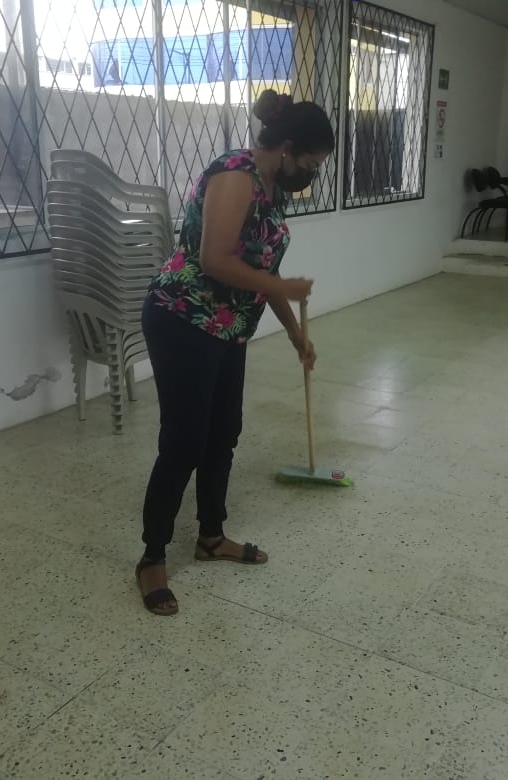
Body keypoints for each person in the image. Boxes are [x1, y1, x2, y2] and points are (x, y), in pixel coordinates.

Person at [135, 90, 336, 615]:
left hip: (227, 327)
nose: (311, 174)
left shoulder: (270, 188)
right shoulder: (235, 175)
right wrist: (284, 287)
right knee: (184, 442)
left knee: (223, 434)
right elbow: (215, 259)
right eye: (311, 163)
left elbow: (263, 270)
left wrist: (294, 333)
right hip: (183, 318)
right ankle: (152, 556)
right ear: (287, 148)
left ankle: (210, 536)